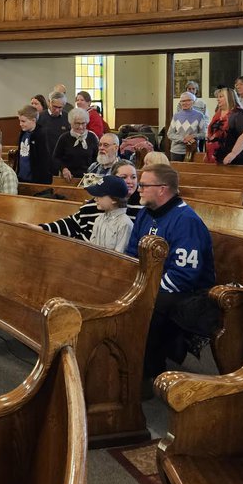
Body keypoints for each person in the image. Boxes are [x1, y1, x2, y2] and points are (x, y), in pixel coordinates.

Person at [125, 164, 216, 383]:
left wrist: (145, 291)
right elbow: (130, 255)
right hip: (151, 282)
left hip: (189, 292)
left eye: (144, 185)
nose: (139, 188)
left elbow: (184, 275)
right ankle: (122, 363)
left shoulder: (186, 221)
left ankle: (148, 374)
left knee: (148, 307)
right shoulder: (146, 213)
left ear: (162, 189)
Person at [37, 160, 142, 240]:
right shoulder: (98, 203)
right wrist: (42, 229)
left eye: (133, 177)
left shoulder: (142, 208)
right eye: (124, 177)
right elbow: (73, 223)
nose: (129, 182)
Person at [84, 175, 134, 254]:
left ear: (114, 199)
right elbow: (91, 249)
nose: (95, 199)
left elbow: (119, 257)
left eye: (99, 195)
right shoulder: (99, 219)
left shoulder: (125, 224)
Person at [207, 87, 243, 165]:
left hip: (235, 159)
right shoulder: (217, 115)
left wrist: (233, 153)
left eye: (221, 97)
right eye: (217, 97)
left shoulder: (238, 114)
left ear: (229, 97)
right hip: (217, 157)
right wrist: (208, 153)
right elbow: (213, 135)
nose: (218, 99)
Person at [53, 107, 99, 181]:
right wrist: (64, 169)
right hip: (68, 178)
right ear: (71, 123)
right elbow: (56, 158)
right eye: (77, 123)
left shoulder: (92, 137)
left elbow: (96, 159)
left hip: (88, 178)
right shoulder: (64, 138)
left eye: (83, 123)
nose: (80, 127)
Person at [16, 104, 53, 184]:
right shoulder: (22, 134)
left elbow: (44, 160)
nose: (20, 124)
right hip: (21, 177)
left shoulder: (41, 135)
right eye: (20, 121)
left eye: (23, 121)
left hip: (36, 179)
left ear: (33, 120)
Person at [166, 91, 206, 159]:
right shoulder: (176, 116)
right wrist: (183, 139)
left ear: (193, 102)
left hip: (193, 151)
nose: (185, 103)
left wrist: (193, 136)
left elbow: (203, 134)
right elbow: (170, 134)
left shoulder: (199, 116)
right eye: (182, 101)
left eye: (188, 100)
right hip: (176, 151)